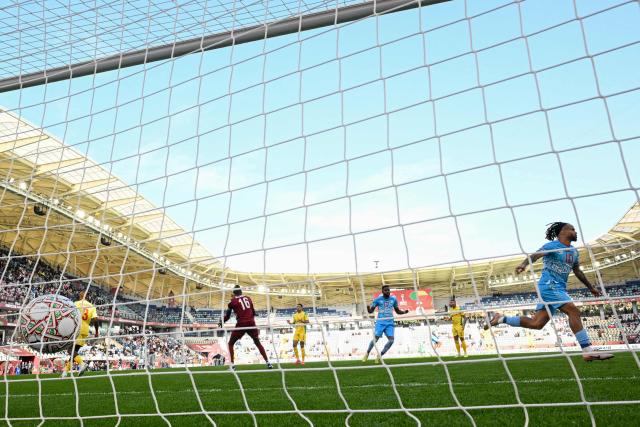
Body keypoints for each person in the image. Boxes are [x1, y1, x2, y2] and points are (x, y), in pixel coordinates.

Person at [488, 222, 613, 362]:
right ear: (563, 232)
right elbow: (535, 255)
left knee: (537, 324)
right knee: (574, 312)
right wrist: (524, 264)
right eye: (573, 229)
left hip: (558, 288)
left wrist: (590, 287)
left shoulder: (574, 252)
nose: (576, 232)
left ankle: (501, 319)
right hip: (549, 286)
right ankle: (587, 351)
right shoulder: (552, 246)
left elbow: (577, 270)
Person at [220, 286, 272, 370]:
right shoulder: (248, 298)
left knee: (230, 343)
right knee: (257, 342)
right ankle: (268, 362)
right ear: (241, 292)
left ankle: (232, 365)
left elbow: (227, 316)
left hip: (241, 323)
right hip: (251, 323)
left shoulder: (232, 302)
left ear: (233, 293)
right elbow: (253, 311)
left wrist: (221, 321)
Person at [362, 285, 409, 363]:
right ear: (382, 291)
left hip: (390, 323)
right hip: (380, 322)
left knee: (391, 341)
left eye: (388, 290)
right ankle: (367, 353)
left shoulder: (393, 299)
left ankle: (379, 355)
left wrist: (404, 312)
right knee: (375, 339)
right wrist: (368, 308)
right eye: (386, 290)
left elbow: (397, 311)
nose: (388, 291)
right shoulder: (377, 300)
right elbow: (371, 311)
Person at [63, 289, 99, 378]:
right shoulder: (91, 306)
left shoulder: (75, 304)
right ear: (86, 296)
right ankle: (65, 372)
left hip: (76, 329)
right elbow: (95, 320)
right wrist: (97, 331)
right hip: (85, 331)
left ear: (80, 295)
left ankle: (82, 364)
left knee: (70, 350)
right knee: (74, 353)